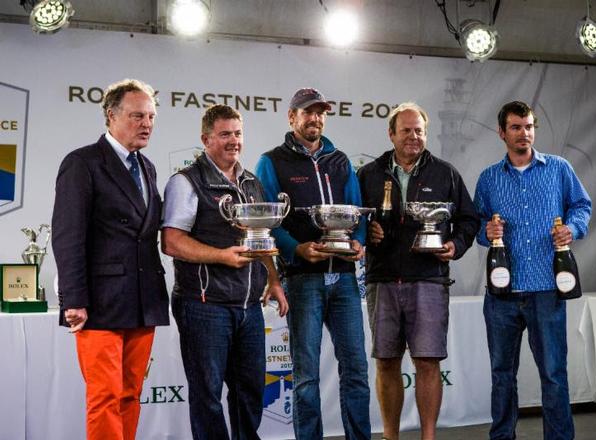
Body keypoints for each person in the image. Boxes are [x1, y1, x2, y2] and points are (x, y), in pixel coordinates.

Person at [161, 104, 288, 439]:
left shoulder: (251, 182)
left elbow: (261, 237)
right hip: (204, 304)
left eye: (238, 133)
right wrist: (220, 256)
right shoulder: (186, 181)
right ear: (206, 139)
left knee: (250, 391)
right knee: (208, 396)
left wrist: (273, 279)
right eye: (225, 134)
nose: (234, 141)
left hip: (248, 307)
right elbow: (172, 242)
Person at [52, 79, 170, 440]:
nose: (146, 123)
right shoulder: (82, 162)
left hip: (143, 300)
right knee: (104, 397)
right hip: (100, 303)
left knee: (131, 395)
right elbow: (67, 236)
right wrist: (73, 299)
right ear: (111, 116)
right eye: (137, 115)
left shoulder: (147, 167)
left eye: (150, 116)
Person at [357, 102, 479, 440]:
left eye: (419, 131)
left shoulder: (445, 172)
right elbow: (355, 219)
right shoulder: (368, 173)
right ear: (391, 133)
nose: (413, 137)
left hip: (428, 278)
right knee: (386, 362)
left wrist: (456, 244)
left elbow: (469, 220)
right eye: (406, 130)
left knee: (427, 363)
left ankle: (428, 437)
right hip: (382, 279)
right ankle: (391, 437)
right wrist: (366, 232)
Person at [255, 88, 371, 439]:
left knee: (356, 370)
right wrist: (297, 249)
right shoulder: (271, 161)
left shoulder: (340, 161)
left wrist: (358, 242)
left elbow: (358, 212)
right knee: (306, 376)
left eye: (320, 112)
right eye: (308, 112)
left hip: (346, 280)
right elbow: (266, 221)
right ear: (292, 117)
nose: (315, 118)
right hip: (303, 279)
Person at [474, 101, 592, 440]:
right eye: (516, 127)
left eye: (528, 126)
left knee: (554, 374)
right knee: (501, 375)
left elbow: (581, 205)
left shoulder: (559, 168)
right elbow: (476, 223)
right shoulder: (489, 178)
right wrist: (487, 232)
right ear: (502, 133)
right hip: (502, 294)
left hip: (546, 288)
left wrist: (572, 227)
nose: (523, 133)